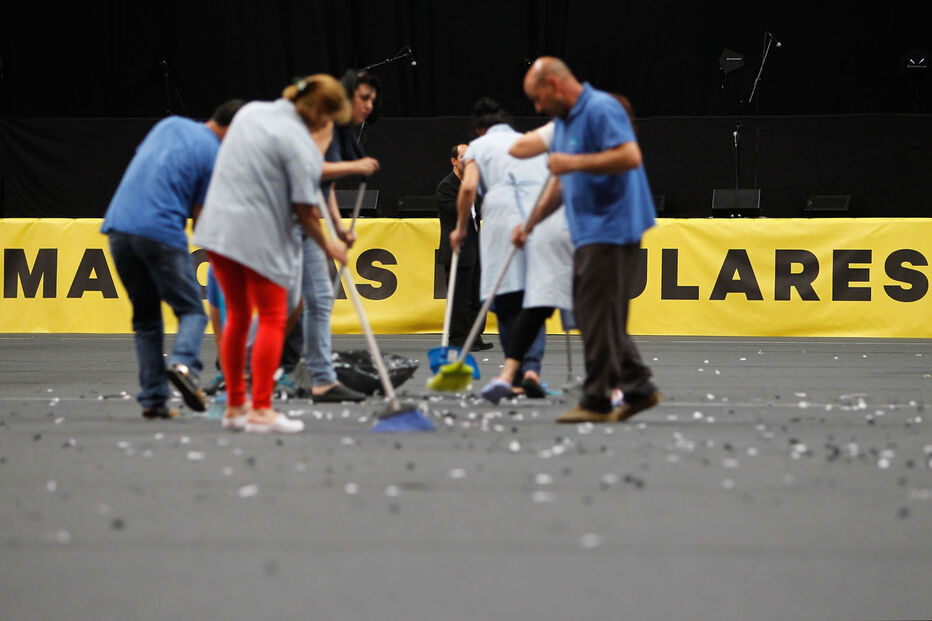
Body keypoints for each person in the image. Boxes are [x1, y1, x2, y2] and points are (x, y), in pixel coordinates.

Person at [193, 74, 351, 434]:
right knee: (273, 316)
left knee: (235, 315)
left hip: (218, 229)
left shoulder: (250, 113)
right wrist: (330, 245)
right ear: (319, 113)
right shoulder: (298, 140)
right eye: (328, 118)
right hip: (257, 234)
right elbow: (304, 208)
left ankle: (236, 406)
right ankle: (261, 409)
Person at [515, 57, 662, 423]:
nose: (537, 107)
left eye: (538, 98)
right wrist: (531, 223)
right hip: (591, 230)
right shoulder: (566, 122)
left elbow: (629, 156)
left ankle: (597, 399)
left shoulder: (600, 109)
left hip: (613, 227)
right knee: (595, 313)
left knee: (595, 313)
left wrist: (572, 164)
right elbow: (562, 183)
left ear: (554, 84)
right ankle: (638, 386)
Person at [101, 99, 244, 420]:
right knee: (192, 310)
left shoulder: (168, 125)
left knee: (146, 319)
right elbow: (200, 214)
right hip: (160, 231)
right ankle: (184, 364)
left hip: (119, 228)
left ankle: (153, 399)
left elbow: (146, 166)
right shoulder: (214, 155)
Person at [287, 69, 383, 403]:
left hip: (307, 219)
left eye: (372, 99)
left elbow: (322, 187)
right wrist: (355, 168)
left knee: (320, 299)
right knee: (286, 304)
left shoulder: (339, 132)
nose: (369, 106)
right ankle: (238, 368)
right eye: (364, 98)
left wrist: (338, 225)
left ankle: (323, 380)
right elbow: (309, 169)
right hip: (285, 220)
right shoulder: (324, 124)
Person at [450, 98, 555, 397]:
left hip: (501, 218)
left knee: (507, 297)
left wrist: (460, 228)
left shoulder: (478, 147)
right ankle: (531, 368)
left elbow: (468, 187)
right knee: (533, 297)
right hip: (538, 216)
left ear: (480, 129)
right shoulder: (529, 142)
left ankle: (516, 375)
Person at [435, 143, 492, 351]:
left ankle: (475, 337)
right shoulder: (446, 186)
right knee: (459, 297)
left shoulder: (474, 184)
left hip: (476, 247)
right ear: (454, 161)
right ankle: (458, 338)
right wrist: (468, 192)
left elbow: (482, 211)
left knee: (477, 294)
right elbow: (454, 211)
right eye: (464, 157)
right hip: (458, 249)